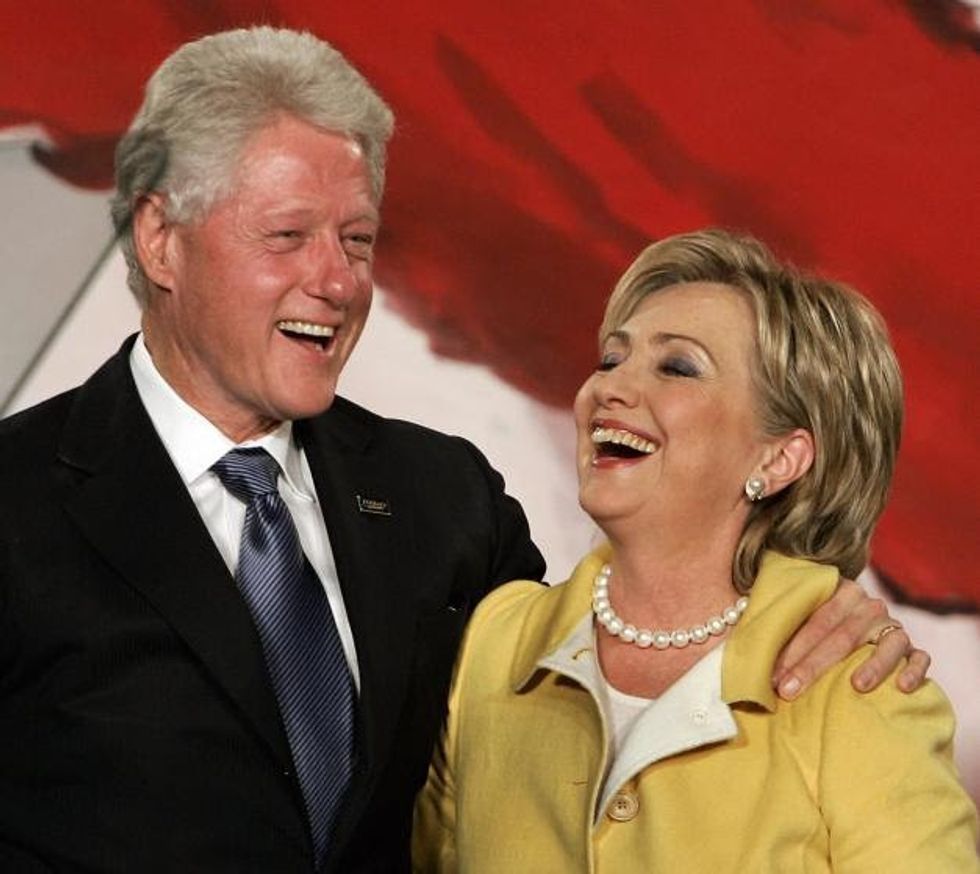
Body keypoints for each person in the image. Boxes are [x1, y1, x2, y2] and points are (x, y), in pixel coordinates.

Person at [0, 28, 928, 874]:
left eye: (356, 239)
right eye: (287, 236)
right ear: (162, 241)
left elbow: (595, 662)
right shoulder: (16, 501)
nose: (335, 280)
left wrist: (803, 599)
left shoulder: (442, 497)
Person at [413, 229, 979, 872]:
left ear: (780, 457)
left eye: (677, 367)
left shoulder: (857, 687)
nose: (611, 389)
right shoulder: (497, 642)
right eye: (611, 360)